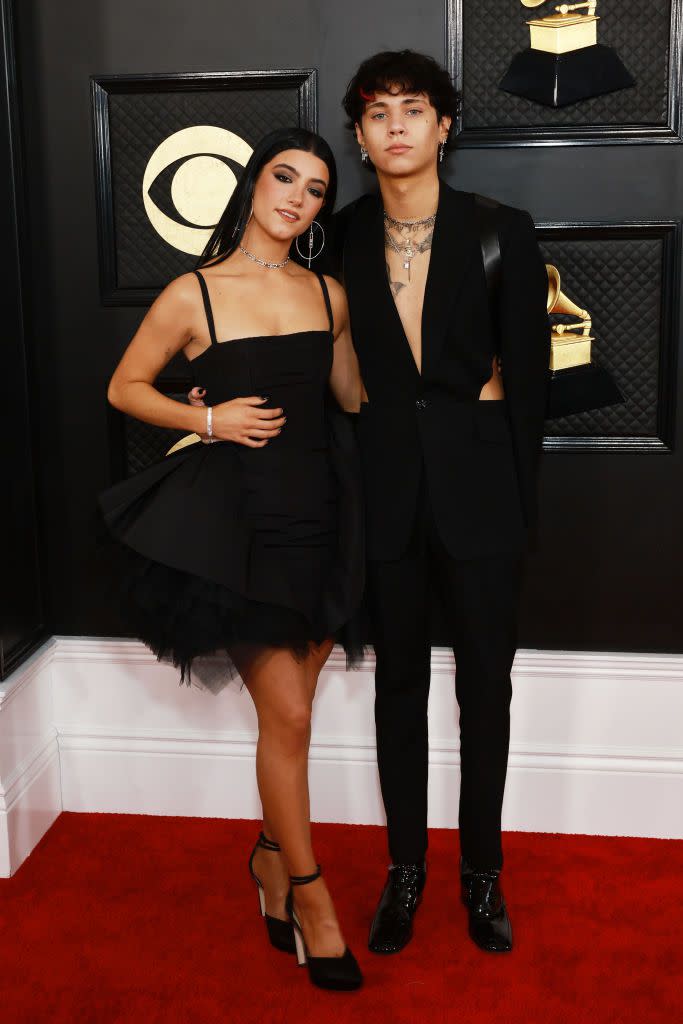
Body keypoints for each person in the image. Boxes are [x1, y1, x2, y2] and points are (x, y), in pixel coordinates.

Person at [99, 128, 364, 991]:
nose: (296, 196)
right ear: (253, 184)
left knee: (298, 716)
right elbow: (125, 387)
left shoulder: (329, 294)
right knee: (286, 722)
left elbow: (352, 396)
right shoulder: (194, 294)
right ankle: (312, 898)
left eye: (316, 189)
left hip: (324, 520)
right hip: (240, 528)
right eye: (284, 177)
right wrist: (206, 419)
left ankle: (266, 860)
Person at [319, 50, 551, 955]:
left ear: (443, 125)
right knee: (397, 693)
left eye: (413, 110)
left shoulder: (500, 228)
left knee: (484, 691)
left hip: (481, 491)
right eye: (377, 115)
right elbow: (332, 369)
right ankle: (405, 870)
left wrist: (515, 502)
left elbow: (526, 383)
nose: (397, 127)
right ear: (361, 136)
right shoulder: (336, 236)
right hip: (384, 491)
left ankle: (482, 873)